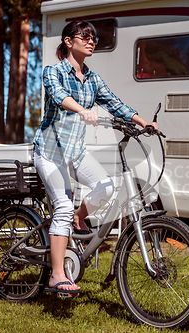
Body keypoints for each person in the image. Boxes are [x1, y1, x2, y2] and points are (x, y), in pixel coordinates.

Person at [33, 21, 158, 294]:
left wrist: (142, 121)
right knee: (62, 207)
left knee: (107, 187)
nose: (91, 41)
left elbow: (114, 103)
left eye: (94, 38)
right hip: (51, 152)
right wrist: (82, 110)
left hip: (75, 152)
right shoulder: (53, 72)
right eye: (85, 36)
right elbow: (58, 96)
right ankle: (56, 275)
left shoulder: (93, 79)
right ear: (68, 41)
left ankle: (80, 218)